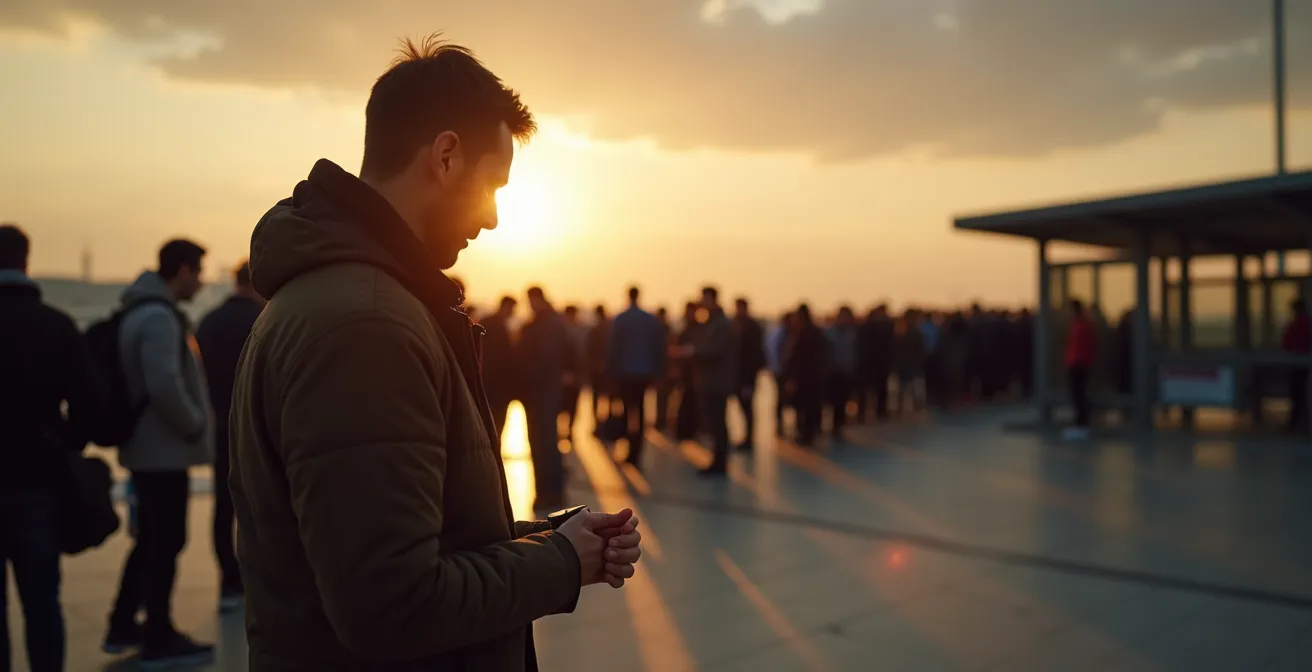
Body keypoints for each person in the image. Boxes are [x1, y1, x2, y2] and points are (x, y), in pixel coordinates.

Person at [228, 37, 642, 671]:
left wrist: (547, 540)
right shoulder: (365, 326)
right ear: (446, 156)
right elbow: (392, 604)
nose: (496, 219)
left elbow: (386, 546)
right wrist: (561, 563)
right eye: (493, 185)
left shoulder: (352, 299)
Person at [105, 238, 215, 665]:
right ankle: (158, 633)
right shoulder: (157, 318)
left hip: (150, 450)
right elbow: (163, 383)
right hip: (162, 451)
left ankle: (123, 623)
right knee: (165, 541)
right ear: (183, 271)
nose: (201, 282)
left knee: (151, 540)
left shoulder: (141, 311)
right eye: (198, 272)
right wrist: (195, 423)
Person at [0, 224, 104, 672]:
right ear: (26, 260)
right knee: (42, 602)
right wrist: (65, 442)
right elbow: (89, 405)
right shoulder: (54, 325)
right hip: (38, 477)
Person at [195, 260, 265, 612]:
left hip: (220, 425)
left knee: (224, 507)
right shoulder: (262, 321)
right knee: (263, 506)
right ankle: (259, 580)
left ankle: (228, 581)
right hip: (257, 428)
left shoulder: (208, 322)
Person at [517, 287, 576, 510]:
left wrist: (525, 379)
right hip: (544, 391)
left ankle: (549, 492)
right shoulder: (550, 322)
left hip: (541, 392)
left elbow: (543, 358)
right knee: (545, 441)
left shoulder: (547, 324)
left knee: (544, 442)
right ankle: (550, 491)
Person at [674, 286, 736, 476]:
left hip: (716, 383)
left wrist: (692, 351)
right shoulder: (712, 322)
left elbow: (713, 351)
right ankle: (717, 462)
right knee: (714, 424)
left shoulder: (721, 325)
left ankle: (719, 464)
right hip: (710, 382)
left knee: (718, 424)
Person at [605, 286, 666, 468]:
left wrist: (610, 373)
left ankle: (628, 448)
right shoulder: (649, 320)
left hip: (625, 373)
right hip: (644, 373)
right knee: (639, 412)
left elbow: (613, 348)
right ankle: (636, 451)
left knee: (626, 411)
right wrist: (658, 372)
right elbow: (658, 347)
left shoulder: (621, 319)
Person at [480, 295, 519, 437]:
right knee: (495, 425)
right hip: (496, 385)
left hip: (490, 383)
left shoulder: (488, 323)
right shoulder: (495, 325)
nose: (513, 312)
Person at [731, 298, 765, 451]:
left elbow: (753, 355)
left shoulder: (750, 327)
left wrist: (749, 378)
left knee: (747, 407)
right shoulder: (736, 325)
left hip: (747, 376)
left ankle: (749, 438)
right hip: (738, 374)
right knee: (743, 407)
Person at [1064, 299, 1096, 440]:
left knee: (1079, 394)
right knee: (1077, 394)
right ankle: (1081, 422)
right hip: (1077, 363)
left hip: (1079, 364)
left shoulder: (1081, 325)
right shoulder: (1079, 324)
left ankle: (1081, 423)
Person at [1283, 298, 1310, 431]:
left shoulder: (1296, 324)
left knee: (1297, 394)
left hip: (1295, 364)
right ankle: (1301, 420)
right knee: (1301, 393)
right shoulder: (1307, 323)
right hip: (1303, 365)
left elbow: (1287, 343)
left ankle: (1296, 421)